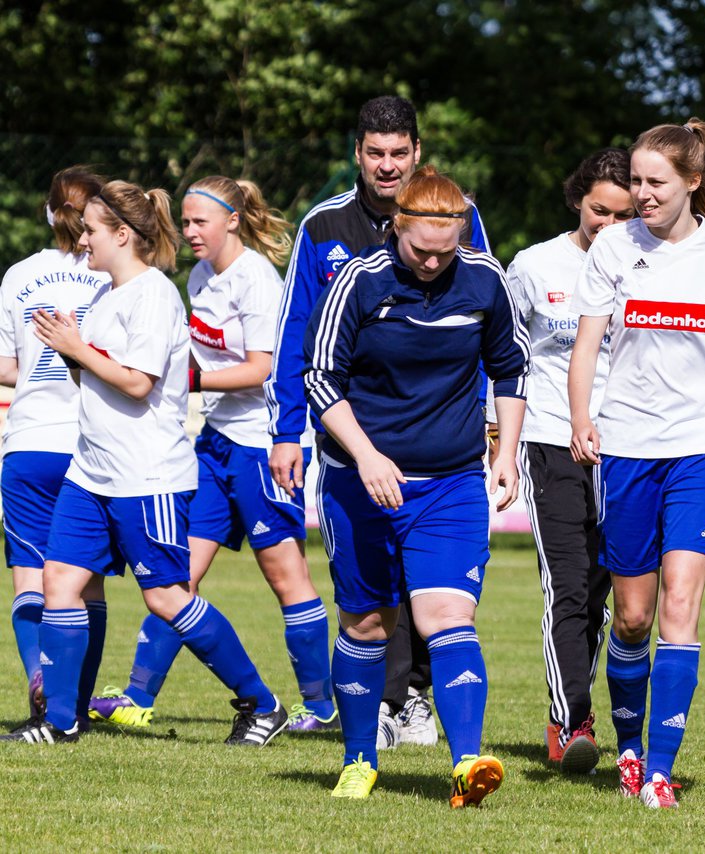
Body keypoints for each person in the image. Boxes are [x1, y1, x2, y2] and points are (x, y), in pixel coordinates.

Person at [1, 180, 286, 745]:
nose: (81, 239)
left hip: (146, 476)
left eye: (90, 230)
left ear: (122, 235)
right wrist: (68, 349)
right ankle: (59, 722)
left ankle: (262, 704)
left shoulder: (153, 294)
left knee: (167, 597)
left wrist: (79, 349)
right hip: (91, 472)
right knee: (59, 581)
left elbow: (138, 383)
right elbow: (97, 377)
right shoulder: (107, 294)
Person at [304, 165, 528, 803]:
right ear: (395, 227)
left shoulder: (486, 280)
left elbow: (510, 369)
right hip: (359, 481)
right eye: (419, 249)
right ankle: (358, 760)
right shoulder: (358, 281)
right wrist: (368, 456)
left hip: (451, 484)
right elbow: (320, 378)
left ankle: (466, 764)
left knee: (448, 616)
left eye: (445, 250)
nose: (432, 263)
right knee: (367, 622)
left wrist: (505, 452)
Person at [268, 95, 489, 740]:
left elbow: (482, 321)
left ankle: (416, 697)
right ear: (358, 154)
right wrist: (287, 431)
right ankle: (385, 706)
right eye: (375, 154)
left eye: (399, 153)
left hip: (441, 442)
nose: (387, 166)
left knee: (436, 582)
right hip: (354, 440)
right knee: (370, 589)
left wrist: (486, 417)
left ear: (416, 153)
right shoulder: (323, 227)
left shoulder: (456, 218)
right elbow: (296, 340)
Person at [86, 176, 336, 733]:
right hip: (216, 445)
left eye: (201, 221)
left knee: (286, 576)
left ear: (233, 219)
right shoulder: (202, 276)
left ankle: (319, 707)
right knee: (178, 579)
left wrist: (190, 377)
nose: (191, 231)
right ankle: (135, 697)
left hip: (261, 446)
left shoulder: (258, 282)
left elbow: (264, 368)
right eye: (188, 220)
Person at [568, 118, 705, 809]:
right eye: (636, 182)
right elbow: (587, 343)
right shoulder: (613, 249)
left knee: (682, 602)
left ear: (692, 182)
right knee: (633, 617)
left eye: (654, 183)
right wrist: (582, 415)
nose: (640, 195)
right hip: (628, 446)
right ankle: (627, 741)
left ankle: (659, 769)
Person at [507, 148, 633, 774]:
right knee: (567, 582)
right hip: (552, 440)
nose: (609, 225)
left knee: (605, 588)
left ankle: (573, 710)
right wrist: (498, 436)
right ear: (577, 201)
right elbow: (504, 357)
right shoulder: (533, 266)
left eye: (622, 214)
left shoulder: (649, 266)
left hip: (630, 449)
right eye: (598, 211)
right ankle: (572, 718)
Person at [0, 167, 112, 720]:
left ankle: (40, 680)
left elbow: (9, 367)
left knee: (29, 575)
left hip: (28, 443)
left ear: (48, 213)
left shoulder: (18, 275)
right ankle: (76, 700)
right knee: (84, 587)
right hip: (90, 445)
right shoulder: (111, 274)